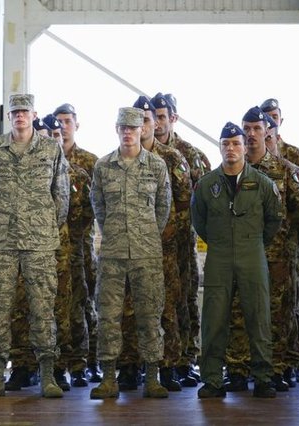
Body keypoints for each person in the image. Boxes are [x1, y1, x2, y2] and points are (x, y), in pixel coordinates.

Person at [0, 94, 69, 399]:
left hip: (39, 242)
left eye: (24, 111)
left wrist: (43, 225)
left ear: (34, 115)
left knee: (43, 308)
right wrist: (2, 221)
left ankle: (47, 375)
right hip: (2, 241)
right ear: (9, 117)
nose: (19, 116)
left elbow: (61, 195)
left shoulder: (51, 149)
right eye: (15, 112)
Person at [191, 121, 282, 399]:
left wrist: (252, 243)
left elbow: (273, 221)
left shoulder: (263, 184)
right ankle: (212, 380)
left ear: (244, 147)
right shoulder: (207, 185)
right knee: (214, 320)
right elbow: (199, 221)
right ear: (220, 148)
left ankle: (263, 378)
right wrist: (220, 241)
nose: (230, 148)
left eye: (235, 144)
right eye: (225, 144)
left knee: (259, 317)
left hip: (252, 254)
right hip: (219, 255)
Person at [224, 107, 299, 392]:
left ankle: (276, 368)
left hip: (277, 259)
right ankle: (237, 368)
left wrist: (284, 246)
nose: (250, 134)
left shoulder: (287, 172)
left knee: (277, 314)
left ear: (268, 132)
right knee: (238, 311)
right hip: (240, 256)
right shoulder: (230, 170)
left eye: (257, 129)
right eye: (246, 129)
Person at [90, 106, 171, 400]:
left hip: (146, 253)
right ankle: (108, 379)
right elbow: (98, 206)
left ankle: (152, 378)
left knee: (150, 315)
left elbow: (163, 208)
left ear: (142, 130)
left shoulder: (156, 166)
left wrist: (145, 234)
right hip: (113, 253)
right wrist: (114, 232)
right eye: (123, 128)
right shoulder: (103, 166)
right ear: (117, 130)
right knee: (108, 316)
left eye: (133, 128)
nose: (128, 133)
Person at [117, 96, 193, 392]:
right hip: (127, 249)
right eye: (137, 122)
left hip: (163, 249)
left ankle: (167, 367)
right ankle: (129, 367)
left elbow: (184, 204)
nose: (144, 126)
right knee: (128, 309)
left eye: (147, 120)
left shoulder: (171, 159)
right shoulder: (117, 159)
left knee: (166, 308)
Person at [150, 93, 205, 386]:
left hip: (182, 242)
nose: (158, 123)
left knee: (184, 299)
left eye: (162, 117)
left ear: (173, 118)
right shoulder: (138, 151)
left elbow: (202, 198)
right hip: (150, 244)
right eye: (154, 117)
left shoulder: (188, 154)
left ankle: (185, 359)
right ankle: (155, 361)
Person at [261, 97, 299, 384]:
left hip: (289, 245)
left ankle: (296, 359)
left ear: (281, 120)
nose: (271, 120)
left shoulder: (295, 157)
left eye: (274, 116)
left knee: (291, 304)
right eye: (266, 116)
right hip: (260, 248)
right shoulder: (251, 157)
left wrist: (294, 236)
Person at [54, 102, 100, 384]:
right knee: (59, 307)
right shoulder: (44, 163)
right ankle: (58, 363)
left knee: (84, 304)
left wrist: (77, 237)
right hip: (52, 249)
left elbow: (94, 208)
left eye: (67, 121)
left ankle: (88, 362)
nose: (62, 127)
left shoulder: (89, 162)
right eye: (57, 123)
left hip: (80, 247)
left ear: (76, 124)